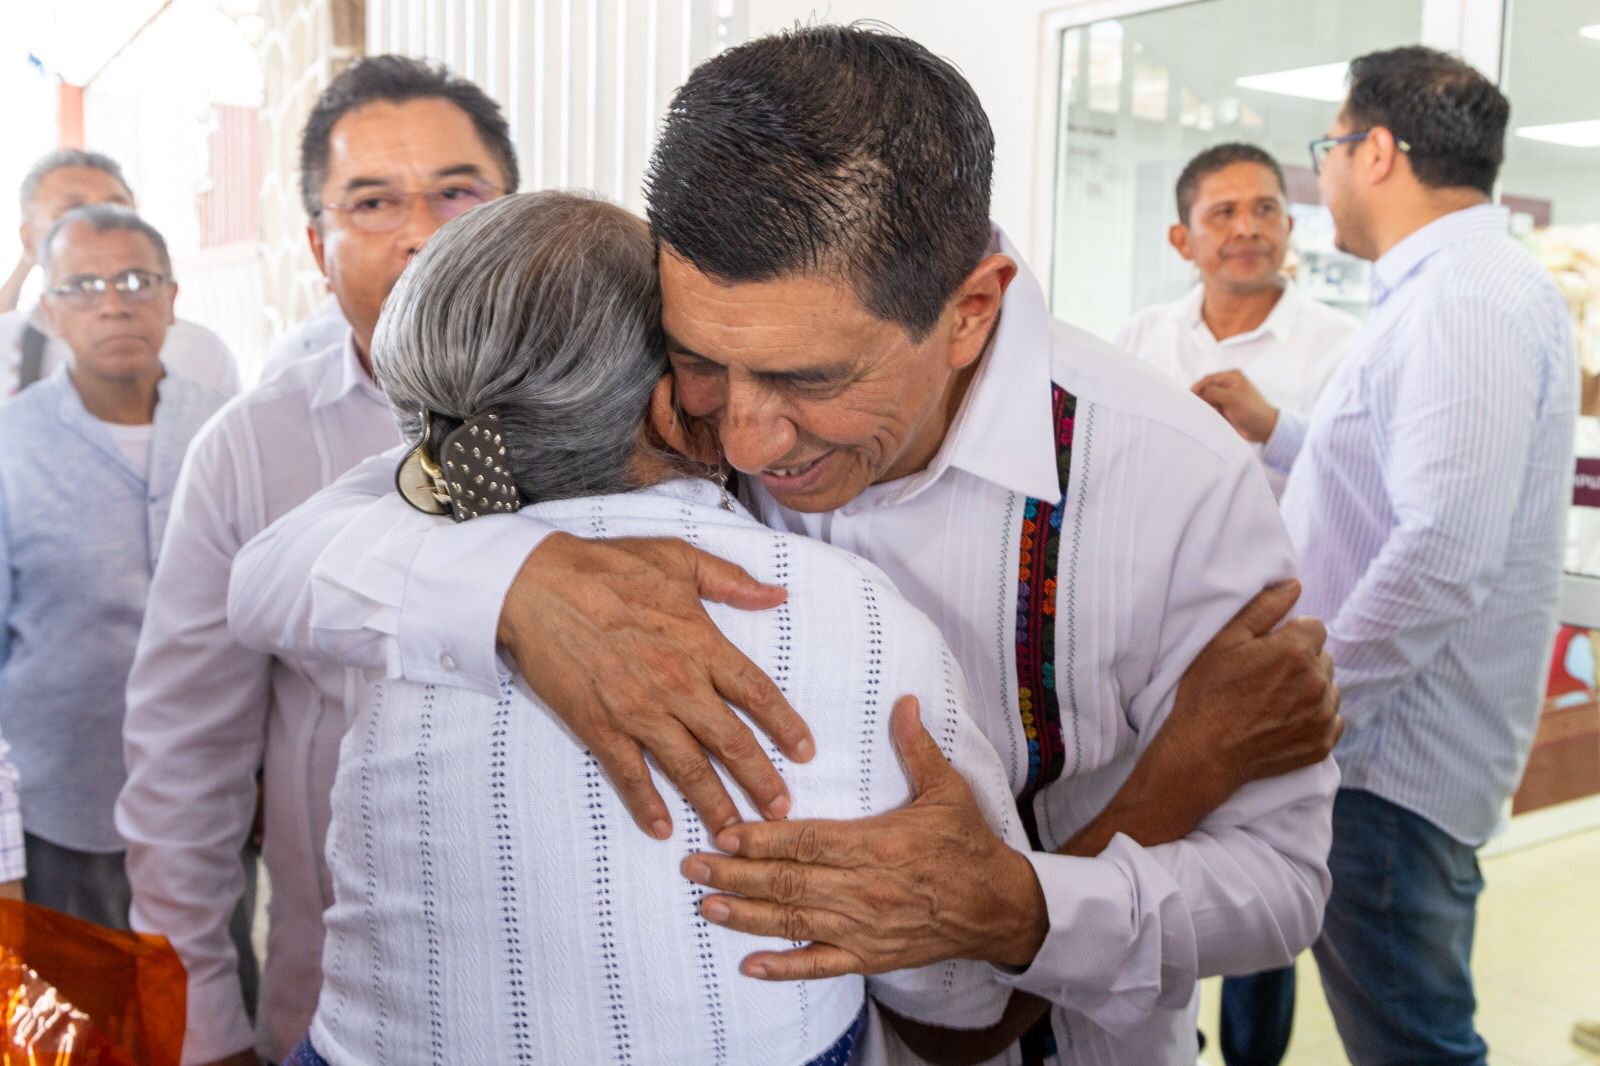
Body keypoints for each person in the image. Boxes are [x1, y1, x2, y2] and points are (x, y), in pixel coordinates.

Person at [233, 27, 1341, 1064]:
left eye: (813, 380)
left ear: (970, 309)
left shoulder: (1177, 480)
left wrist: (1030, 898)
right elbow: (277, 568)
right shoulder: (548, 473)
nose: (748, 441)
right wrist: (511, 584)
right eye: (699, 361)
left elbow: (1283, 886)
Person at [295, 187, 1028, 1065]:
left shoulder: (393, 595)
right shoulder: (852, 618)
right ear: (674, 407)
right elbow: (962, 997)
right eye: (709, 359)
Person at [114, 55, 517, 1066]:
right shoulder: (255, 447)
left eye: (458, 193)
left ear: (516, 211)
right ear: (316, 244)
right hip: (339, 1007)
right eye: (372, 202)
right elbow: (184, 764)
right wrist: (201, 1023)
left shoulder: (638, 414)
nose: (422, 232)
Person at [1194, 47, 1576, 1064]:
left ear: (1375, 151)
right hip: (1382, 761)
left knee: (1413, 1044)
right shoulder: (1450, 287)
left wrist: (1313, 706)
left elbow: (1442, 551)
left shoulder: (1463, 299)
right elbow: (1402, 477)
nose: (1318, 182)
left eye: (1325, 149)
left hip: (1386, 772)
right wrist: (1278, 430)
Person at [0, 205, 225, 929]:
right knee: (85, 1024)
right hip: (63, 805)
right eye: (83, 286)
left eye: (135, 280)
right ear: (48, 313)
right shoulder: (12, 448)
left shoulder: (229, 432)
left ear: (172, 296)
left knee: (212, 1015)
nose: (113, 302)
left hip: (211, 799)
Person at [1117, 143, 1359, 499]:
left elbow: (1364, 474)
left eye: (1265, 209)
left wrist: (1275, 429)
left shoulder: (1344, 345)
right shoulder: (1142, 335)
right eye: (1224, 212)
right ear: (1181, 241)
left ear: (1288, 227)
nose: (1247, 228)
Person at [1, 149, 239, 398]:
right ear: (29, 240)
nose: (98, 226)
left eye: (116, 209)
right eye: (71, 213)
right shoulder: (6, 346)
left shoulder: (199, 353)